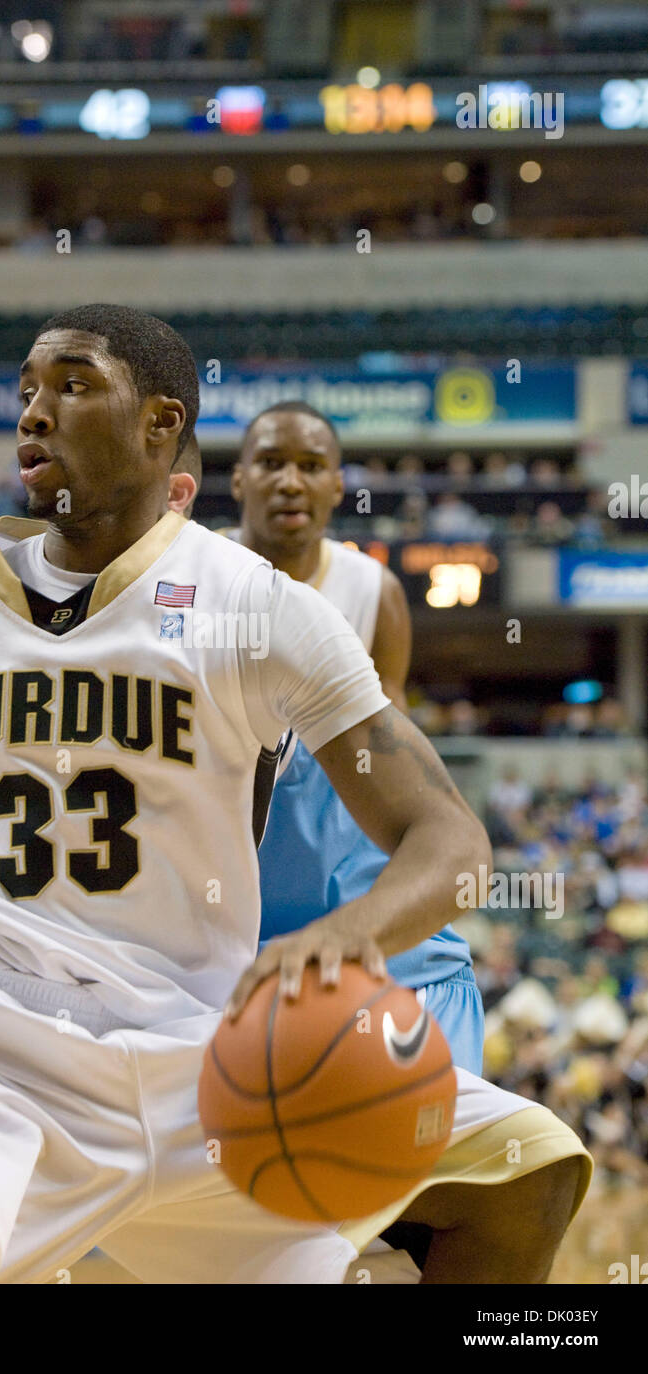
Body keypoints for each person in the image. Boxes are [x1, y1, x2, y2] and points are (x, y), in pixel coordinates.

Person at [0, 305, 491, 1286]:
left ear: (163, 424)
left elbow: (450, 843)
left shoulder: (264, 606)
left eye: (71, 385)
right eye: (27, 388)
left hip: (199, 1045)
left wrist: (352, 931)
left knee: (521, 1171)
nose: (34, 411)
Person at [228, 402, 483, 1076]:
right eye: (271, 463)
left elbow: (388, 741)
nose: (290, 482)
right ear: (238, 480)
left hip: (332, 834)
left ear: (337, 486)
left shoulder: (373, 589)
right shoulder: (200, 575)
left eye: (310, 467)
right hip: (232, 842)